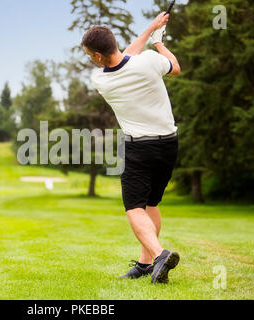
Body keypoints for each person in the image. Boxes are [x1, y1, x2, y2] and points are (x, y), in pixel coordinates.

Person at [81, 12, 181, 284]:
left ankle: (160, 255)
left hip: (140, 149)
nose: (91, 59)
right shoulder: (148, 62)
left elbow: (124, 59)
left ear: (98, 56)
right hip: (169, 144)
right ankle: (145, 264)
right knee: (151, 204)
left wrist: (151, 30)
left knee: (134, 207)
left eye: (91, 54)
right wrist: (158, 40)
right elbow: (174, 66)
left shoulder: (101, 80)